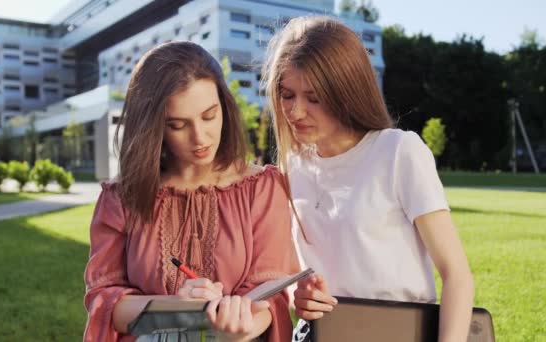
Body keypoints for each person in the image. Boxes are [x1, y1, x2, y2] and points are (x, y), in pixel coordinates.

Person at [262, 16, 475, 341]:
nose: (296, 111)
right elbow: (296, 277)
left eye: (313, 97)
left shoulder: (398, 152)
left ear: (346, 91)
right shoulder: (293, 167)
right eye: (287, 95)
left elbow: (457, 274)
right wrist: (300, 296)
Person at [83, 41, 296, 342]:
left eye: (209, 116)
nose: (200, 138)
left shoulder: (261, 189)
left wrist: (238, 328)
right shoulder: (121, 198)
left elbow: (270, 298)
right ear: (152, 128)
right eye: (178, 125)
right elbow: (105, 305)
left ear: (224, 105)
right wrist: (179, 308)